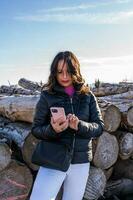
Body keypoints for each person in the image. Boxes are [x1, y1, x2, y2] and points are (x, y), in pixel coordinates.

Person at [30, 51, 104, 200]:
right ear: (54, 73)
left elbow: (99, 127)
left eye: (69, 72)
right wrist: (53, 129)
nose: (64, 76)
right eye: (59, 72)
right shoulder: (47, 96)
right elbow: (36, 129)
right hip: (53, 159)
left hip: (80, 162)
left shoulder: (88, 96)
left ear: (75, 71)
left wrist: (80, 126)